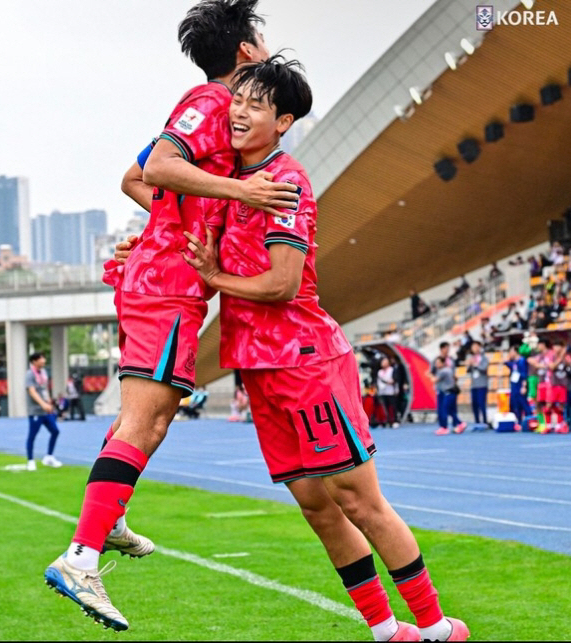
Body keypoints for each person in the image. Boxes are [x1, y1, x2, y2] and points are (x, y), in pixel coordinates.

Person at [180, 56, 468, 641]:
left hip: (304, 360)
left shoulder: (284, 183)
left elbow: (282, 285)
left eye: (255, 105)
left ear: (283, 121)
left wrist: (216, 277)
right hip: (257, 368)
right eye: (238, 100)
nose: (238, 111)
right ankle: (386, 629)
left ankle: (436, 626)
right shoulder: (232, 183)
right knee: (315, 506)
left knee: (360, 502)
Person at [44, 1, 295, 632]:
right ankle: (81, 556)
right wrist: (241, 192)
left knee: (149, 422)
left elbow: (136, 178)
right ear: (245, 50)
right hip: (166, 286)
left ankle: (109, 518)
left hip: (165, 279)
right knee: (147, 420)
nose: (266, 47)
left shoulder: (214, 111)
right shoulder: (213, 101)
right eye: (260, 38)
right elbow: (154, 169)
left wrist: (170, 222)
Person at [25, 352, 62, 471]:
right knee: (32, 435)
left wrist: (49, 401)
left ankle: (49, 457)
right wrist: (43, 404)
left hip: (46, 410)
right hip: (36, 410)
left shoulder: (44, 373)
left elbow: (44, 389)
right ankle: (30, 461)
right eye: (41, 358)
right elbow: (32, 391)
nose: (43, 360)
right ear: (34, 361)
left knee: (55, 431)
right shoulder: (30, 374)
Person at [431, 342, 466, 436]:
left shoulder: (448, 364)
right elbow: (432, 372)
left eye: (448, 348)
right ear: (441, 349)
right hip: (442, 388)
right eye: (446, 348)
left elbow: (435, 378)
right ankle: (450, 425)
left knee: (447, 409)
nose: (447, 350)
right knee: (445, 409)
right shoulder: (437, 361)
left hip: (448, 389)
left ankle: (453, 425)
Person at [504, 345, 532, 430]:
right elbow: (505, 362)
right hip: (514, 386)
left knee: (523, 403)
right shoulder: (514, 362)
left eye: (511, 351)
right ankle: (519, 422)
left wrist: (524, 386)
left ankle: (530, 421)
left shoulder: (522, 361)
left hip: (520, 385)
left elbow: (524, 374)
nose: (510, 353)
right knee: (515, 405)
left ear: (516, 351)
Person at [465, 341, 489, 426]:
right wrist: (469, 364)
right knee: (474, 405)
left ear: (479, 347)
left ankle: (485, 421)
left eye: (476, 346)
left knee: (482, 404)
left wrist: (475, 364)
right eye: (473, 346)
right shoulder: (471, 357)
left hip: (482, 384)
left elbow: (484, 368)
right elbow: (467, 371)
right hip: (474, 385)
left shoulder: (484, 358)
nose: (474, 348)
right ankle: (477, 422)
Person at [375, 357, 399, 428]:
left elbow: (395, 379)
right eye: (382, 362)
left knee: (392, 406)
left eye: (385, 361)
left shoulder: (392, 370)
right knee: (385, 406)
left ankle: (394, 420)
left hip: (391, 391)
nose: (383, 363)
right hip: (382, 391)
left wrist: (391, 382)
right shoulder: (379, 372)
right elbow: (378, 381)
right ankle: (387, 421)